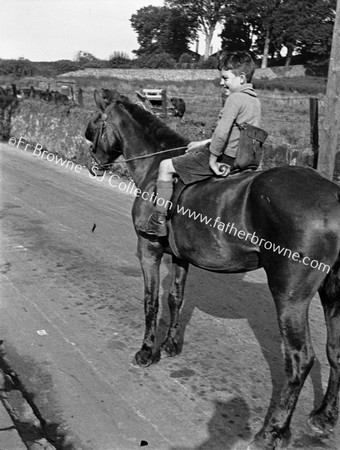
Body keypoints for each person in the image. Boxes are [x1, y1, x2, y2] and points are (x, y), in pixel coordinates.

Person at [144, 51, 261, 237]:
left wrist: (213, 159)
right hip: (243, 158)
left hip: (225, 157)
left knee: (165, 166)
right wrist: (202, 142)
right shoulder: (254, 100)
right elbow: (236, 132)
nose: (222, 82)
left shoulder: (234, 98)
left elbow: (222, 133)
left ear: (241, 78)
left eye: (225, 78)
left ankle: (158, 220)